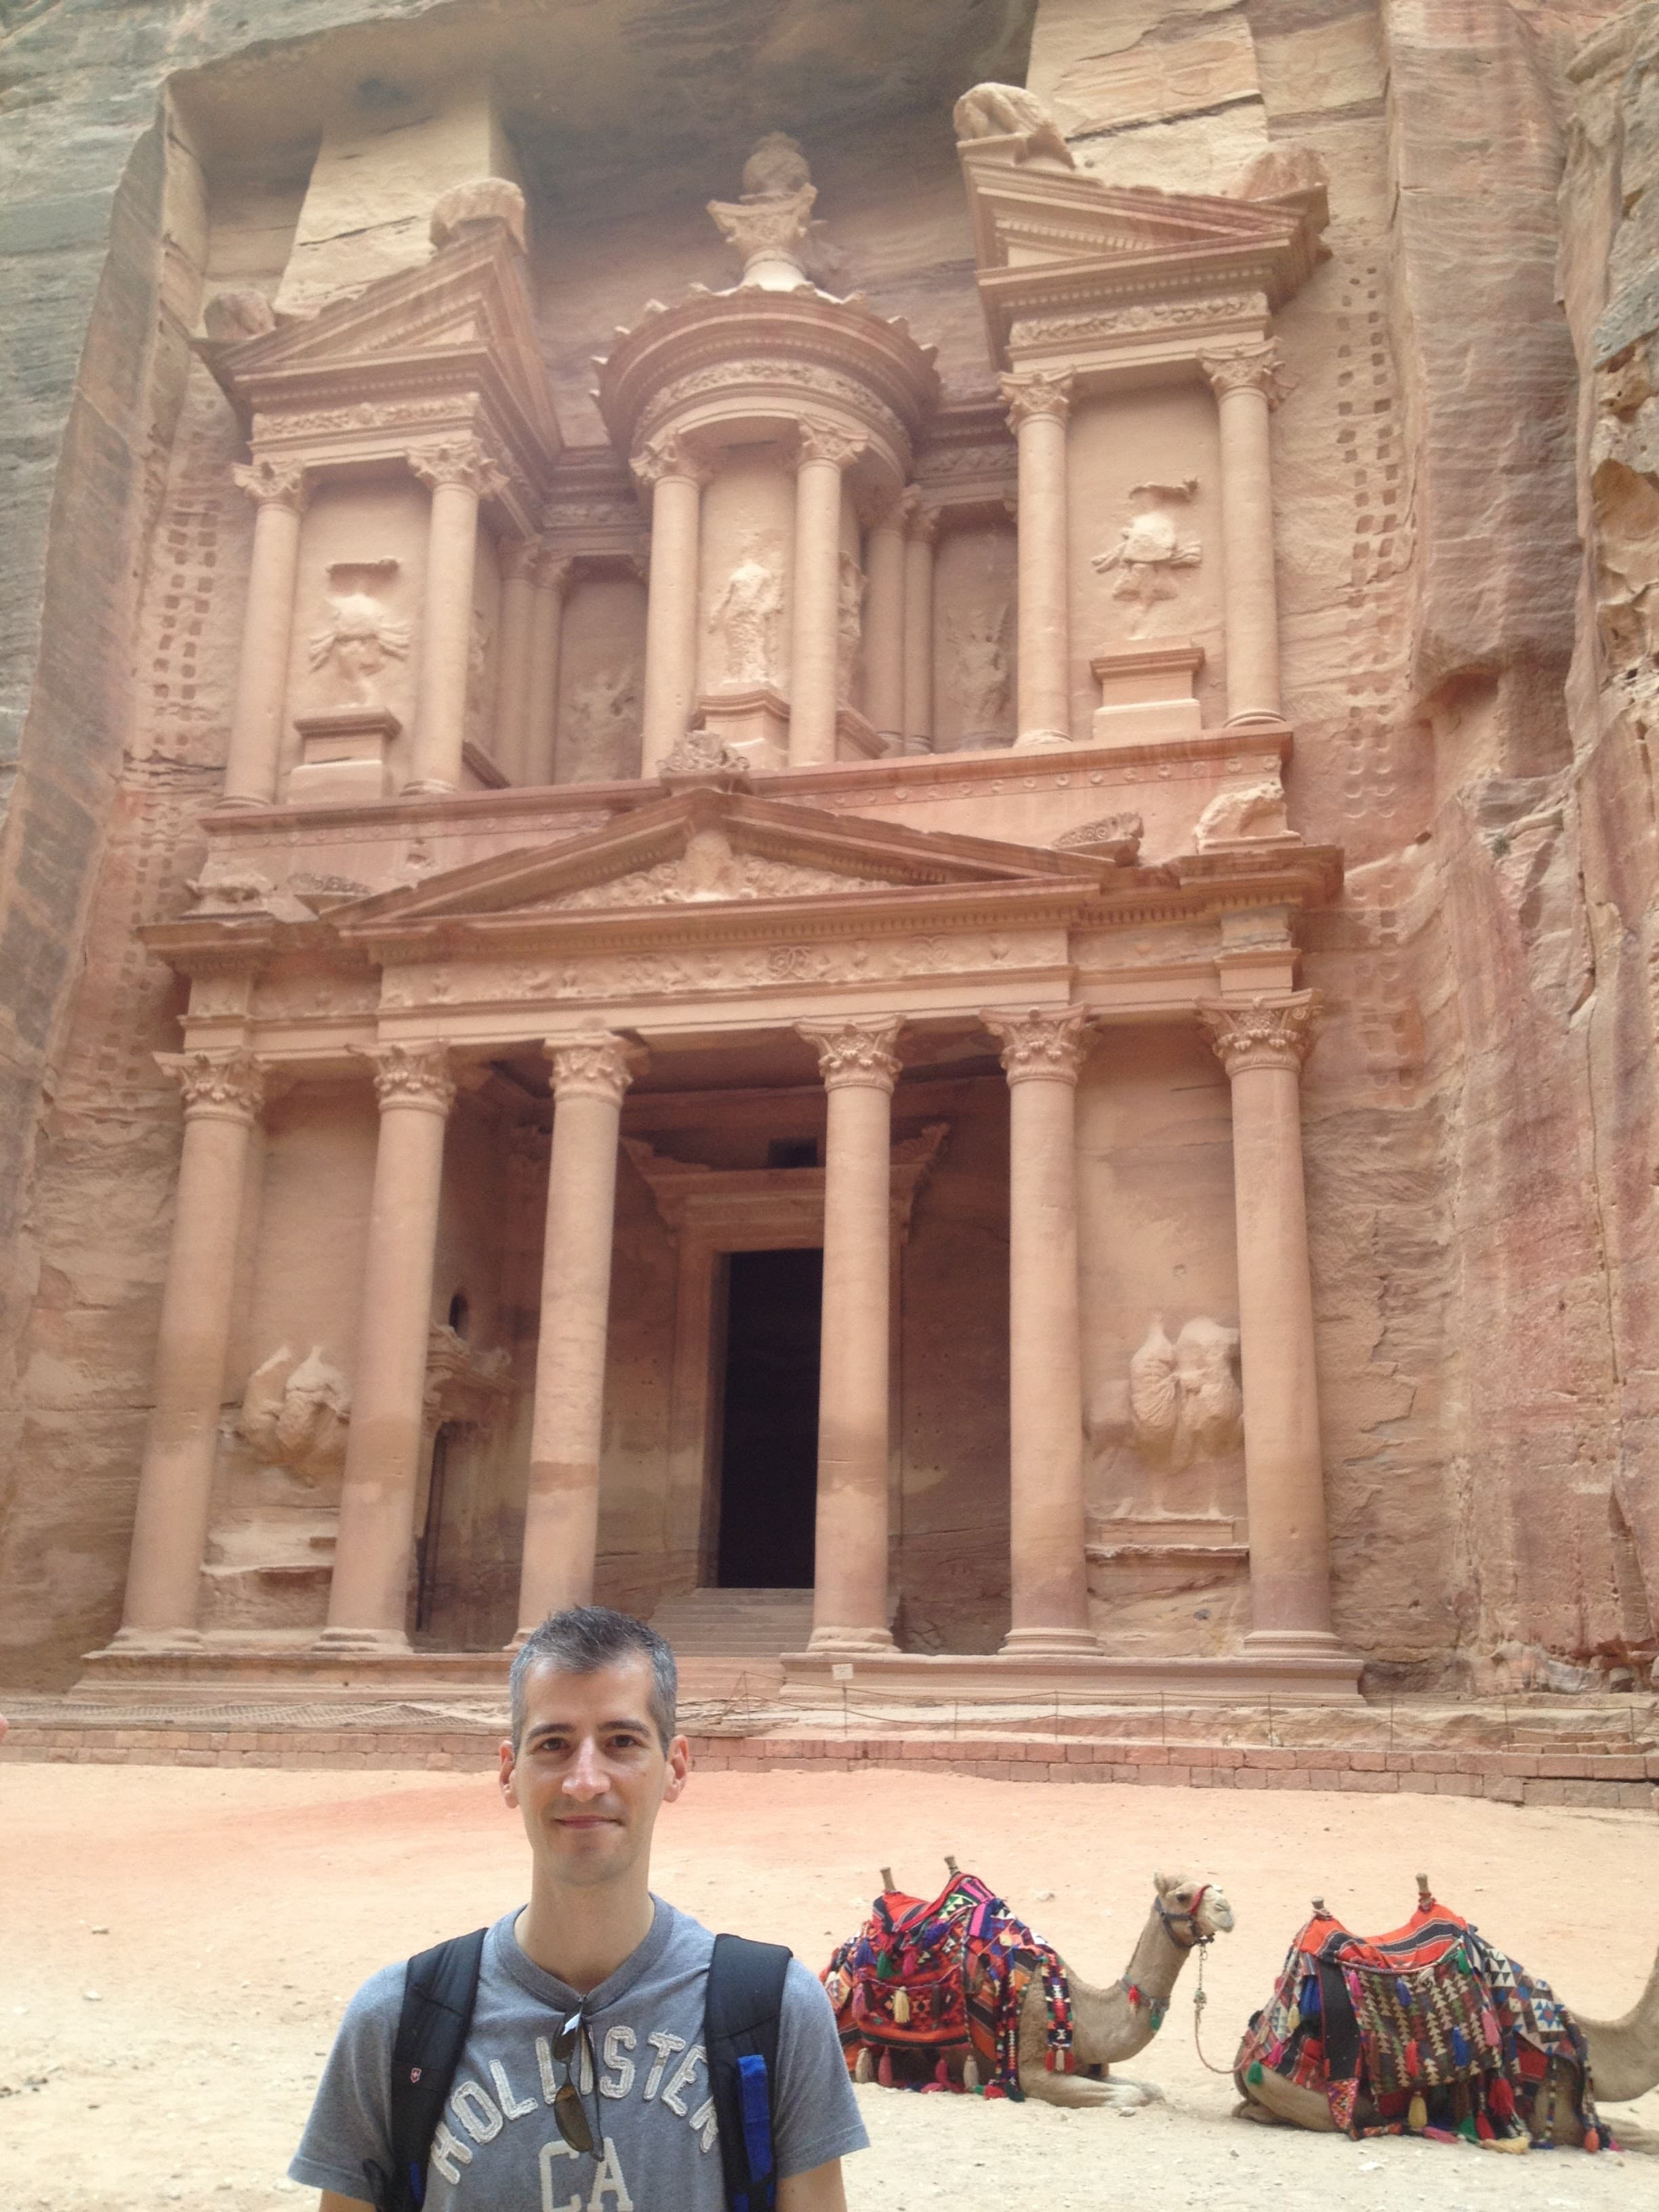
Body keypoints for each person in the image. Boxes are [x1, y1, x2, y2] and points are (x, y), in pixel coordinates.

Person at [291, 1605, 867, 2210]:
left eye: (622, 1742)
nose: (585, 1781)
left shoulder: (775, 2012)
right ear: (509, 1773)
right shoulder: (397, 2021)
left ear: (675, 1768)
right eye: (554, 1745)